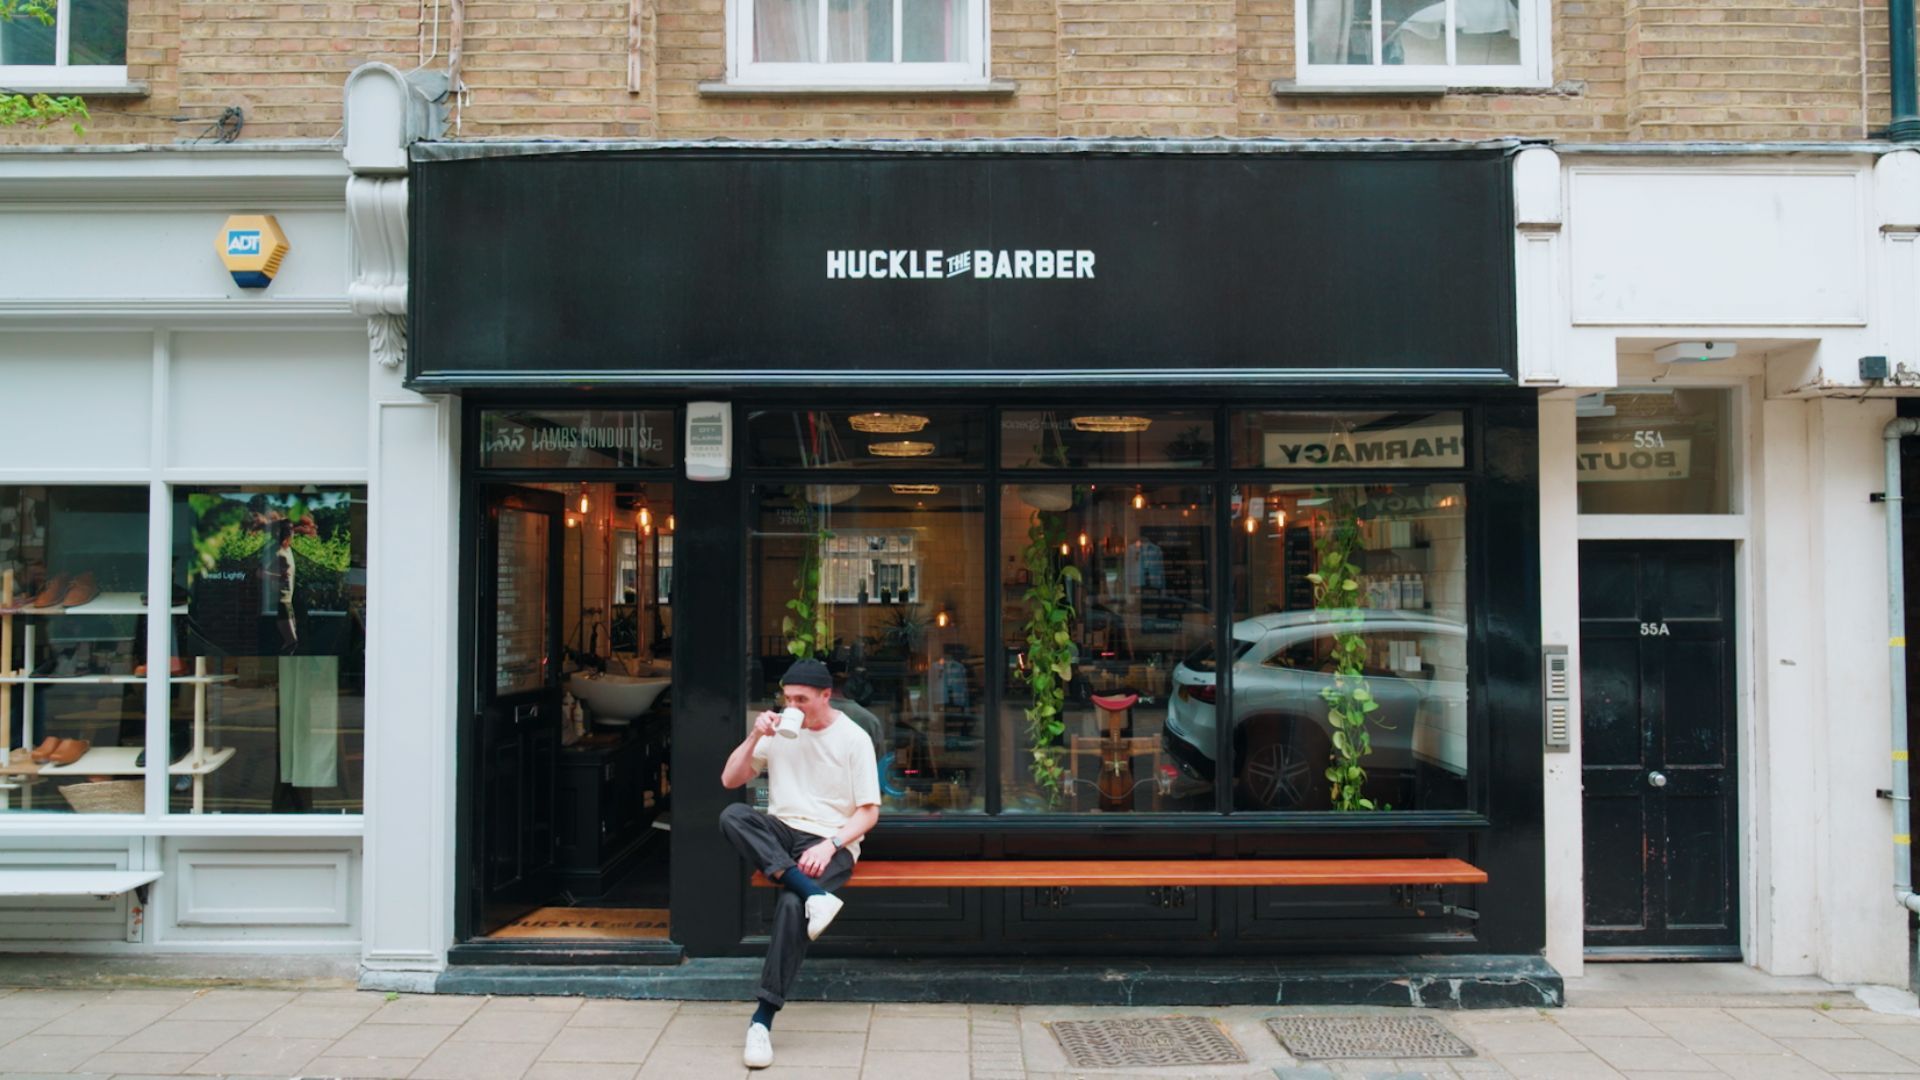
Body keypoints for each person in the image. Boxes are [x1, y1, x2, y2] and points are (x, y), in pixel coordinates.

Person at [718, 658, 880, 1070]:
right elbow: (730, 781)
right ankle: (813, 894)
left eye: (802, 699)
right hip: (782, 833)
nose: (794, 705)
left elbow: (868, 813)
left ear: (826, 696)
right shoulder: (779, 732)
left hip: (831, 840)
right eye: (788, 698)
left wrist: (831, 844)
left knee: (791, 906)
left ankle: (762, 1019)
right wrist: (755, 735)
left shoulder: (853, 738)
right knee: (733, 816)